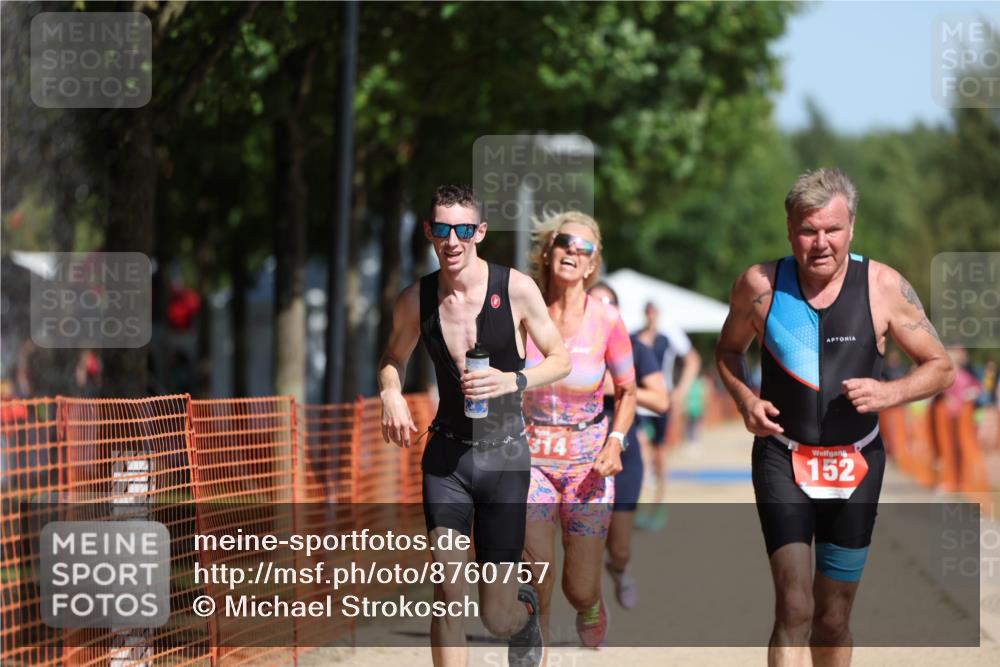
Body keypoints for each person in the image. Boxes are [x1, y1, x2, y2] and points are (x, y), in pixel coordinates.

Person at [715, 168, 955, 666]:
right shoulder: (759, 284)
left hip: (857, 461)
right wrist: (744, 399)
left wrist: (890, 392)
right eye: (808, 230)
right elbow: (727, 352)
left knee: (832, 617)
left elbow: (940, 367)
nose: (820, 243)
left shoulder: (884, 286)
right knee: (795, 605)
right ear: (789, 230)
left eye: (833, 229)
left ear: (852, 228)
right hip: (783, 458)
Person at [379, 184, 571, 667]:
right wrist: (389, 392)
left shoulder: (516, 289)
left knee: (495, 615)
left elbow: (561, 359)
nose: (453, 240)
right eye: (442, 229)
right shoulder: (414, 300)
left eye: (464, 229)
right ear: (429, 232)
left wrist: (514, 379)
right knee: (446, 588)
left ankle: (523, 610)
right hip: (447, 458)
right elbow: (391, 359)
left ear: (480, 232)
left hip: (505, 456)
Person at [520, 211, 637, 649]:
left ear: (592, 265)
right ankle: (535, 643)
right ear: (548, 252)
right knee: (536, 568)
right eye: (565, 242)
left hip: (589, 466)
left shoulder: (606, 319)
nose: (573, 251)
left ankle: (592, 606)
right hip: (531, 459)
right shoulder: (524, 313)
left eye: (583, 248)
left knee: (579, 586)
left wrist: (616, 441)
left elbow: (627, 391)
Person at [588, 282, 668, 610]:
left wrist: (611, 387)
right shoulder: (566, 346)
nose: (600, 311)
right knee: (585, 544)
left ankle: (619, 570)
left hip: (624, 452)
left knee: (618, 547)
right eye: (594, 304)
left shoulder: (635, 348)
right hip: (578, 452)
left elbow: (660, 400)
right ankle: (590, 607)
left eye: (608, 305)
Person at [632, 301, 701, 530]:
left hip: (661, 401)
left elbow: (693, 360)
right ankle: (637, 503)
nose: (651, 315)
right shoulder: (634, 334)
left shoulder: (669, 336)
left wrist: (680, 392)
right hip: (638, 400)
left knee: (659, 454)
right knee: (638, 448)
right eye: (648, 311)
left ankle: (658, 504)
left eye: (655, 311)